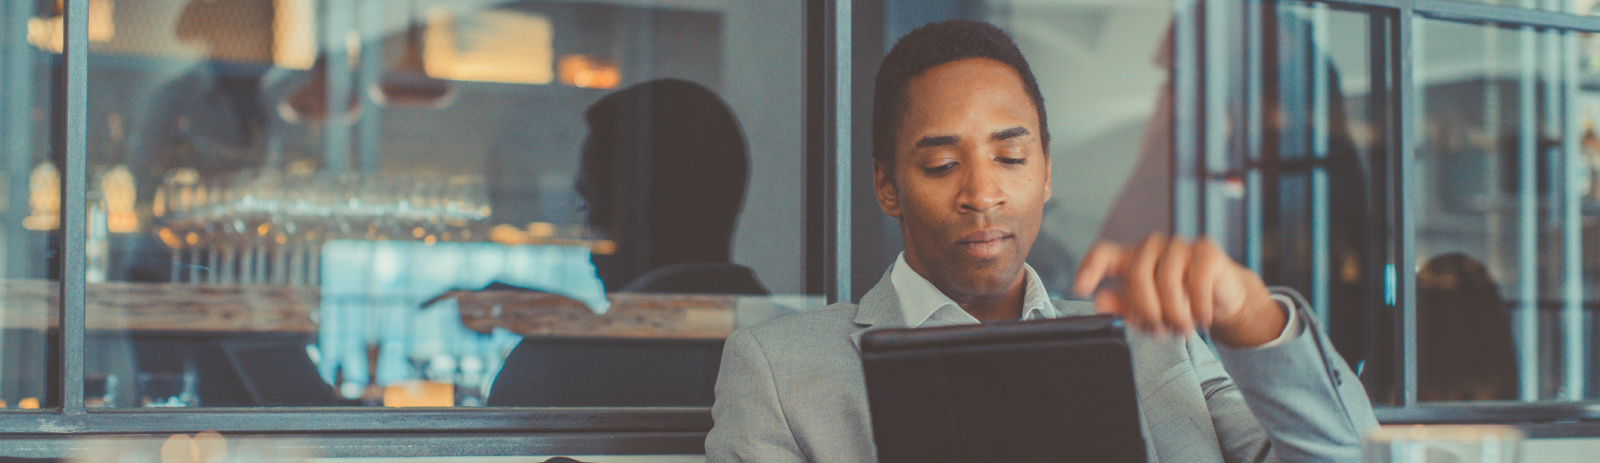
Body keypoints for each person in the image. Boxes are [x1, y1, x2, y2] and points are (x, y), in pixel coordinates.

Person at [705, 20, 1377, 462]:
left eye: (1012, 158)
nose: (982, 193)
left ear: (1047, 171)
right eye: (941, 165)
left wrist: (1254, 322)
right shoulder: (777, 370)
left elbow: (1346, 455)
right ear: (888, 187)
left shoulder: (1159, 339)